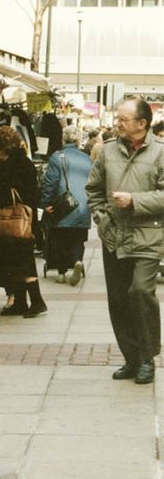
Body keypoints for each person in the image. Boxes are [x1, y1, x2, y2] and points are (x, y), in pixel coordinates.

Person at [86, 97, 164, 385]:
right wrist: (101, 218)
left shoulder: (160, 153)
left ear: (142, 124)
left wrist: (135, 201)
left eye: (123, 119)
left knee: (140, 292)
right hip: (114, 236)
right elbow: (93, 188)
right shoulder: (108, 151)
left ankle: (147, 358)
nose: (117, 123)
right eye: (117, 118)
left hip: (147, 235)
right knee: (118, 299)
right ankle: (131, 358)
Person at [0, 126, 46, 318]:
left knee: (21, 262)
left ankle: (36, 302)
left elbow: (4, 194)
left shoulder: (9, 166)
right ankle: (22, 302)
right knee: (20, 261)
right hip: (27, 220)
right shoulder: (26, 162)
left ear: (1, 146)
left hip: (15, 221)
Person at [41, 126, 92, 285]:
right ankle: (77, 260)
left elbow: (50, 182)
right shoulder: (86, 158)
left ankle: (62, 273)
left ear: (63, 139)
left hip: (63, 205)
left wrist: (46, 203)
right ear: (78, 140)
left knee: (60, 239)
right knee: (78, 238)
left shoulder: (57, 157)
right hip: (83, 205)